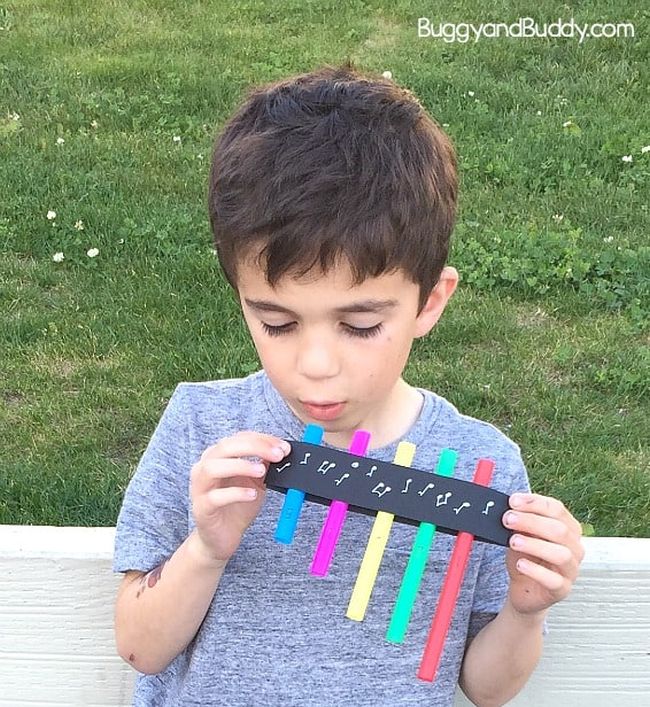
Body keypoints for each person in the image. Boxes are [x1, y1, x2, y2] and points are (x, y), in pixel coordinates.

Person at [113, 63, 585, 706]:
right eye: (276, 322)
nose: (315, 364)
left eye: (360, 324)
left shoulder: (484, 466)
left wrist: (526, 611)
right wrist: (206, 548)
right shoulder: (201, 427)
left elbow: (484, 688)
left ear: (429, 302)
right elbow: (141, 647)